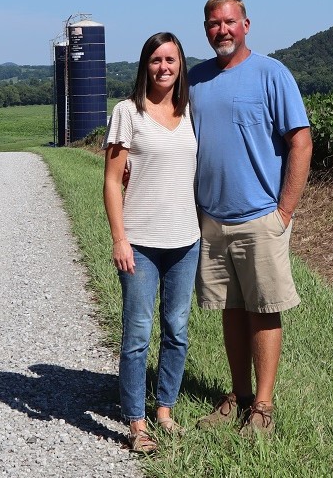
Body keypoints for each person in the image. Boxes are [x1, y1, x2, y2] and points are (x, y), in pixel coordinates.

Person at [187, 0, 313, 437]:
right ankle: (237, 395)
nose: (221, 30)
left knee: (264, 309)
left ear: (245, 24)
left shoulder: (271, 74)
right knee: (231, 310)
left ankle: (263, 407)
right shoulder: (196, 79)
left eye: (229, 22)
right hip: (213, 219)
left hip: (261, 216)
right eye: (213, 24)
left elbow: (300, 141)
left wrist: (284, 211)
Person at [103, 32, 200, 454]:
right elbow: (110, 181)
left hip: (186, 240)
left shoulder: (192, 112)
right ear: (145, 65)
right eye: (156, 60)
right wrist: (119, 238)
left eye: (171, 60)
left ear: (181, 66)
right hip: (140, 241)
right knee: (138, 334)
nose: (164, 67)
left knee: (177, 330)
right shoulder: (128, 112)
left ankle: (165, 410)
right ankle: (136, 422)